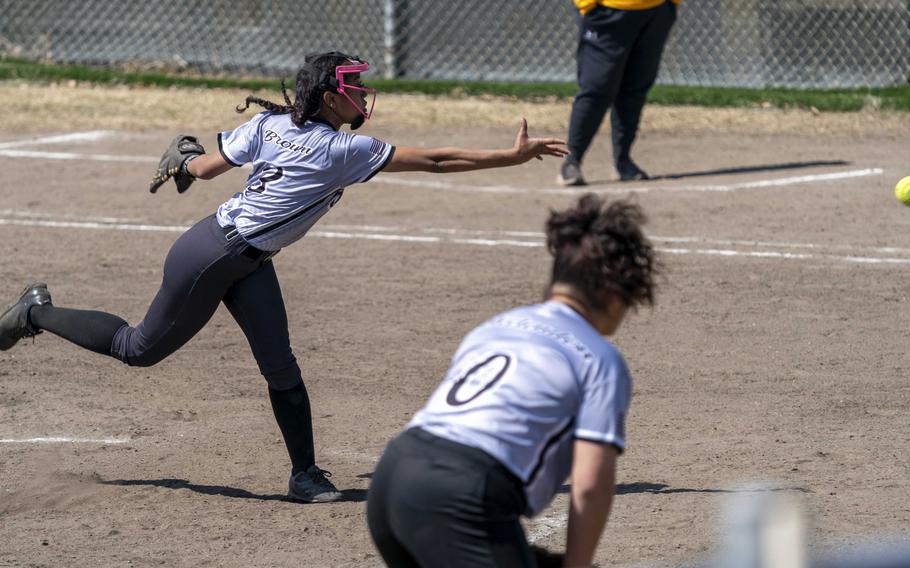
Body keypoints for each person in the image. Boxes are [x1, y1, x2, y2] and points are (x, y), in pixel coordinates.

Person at [0, 51, 567, 504]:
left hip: (247, 260)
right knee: (138, 348)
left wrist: (184, 155)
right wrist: (509, 157)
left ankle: (305, 475)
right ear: (328, 95)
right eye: (352, 86)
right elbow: (438, 160)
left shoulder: (270, 123)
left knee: (282, 367)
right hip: (211, 256)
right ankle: (35, 312)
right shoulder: (342, 149)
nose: (362, 94)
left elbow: (201, 168)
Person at [367, 194, 658, 567]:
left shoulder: (496, 326)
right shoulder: (599, 359)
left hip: (394, 475)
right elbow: (590, 483)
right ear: (614, 293)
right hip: (463, 492)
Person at [558, 0, 680, 186]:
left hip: (657, 10)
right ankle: (572, 160)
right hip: (607, 12)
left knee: (635, 88)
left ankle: (622, 162)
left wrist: (671, 5)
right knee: (597, 88)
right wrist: (587, 5)